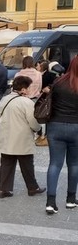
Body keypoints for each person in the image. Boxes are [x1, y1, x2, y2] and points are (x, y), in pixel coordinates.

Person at [0, 75, 45, 199]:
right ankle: (32, 188)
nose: (29, 90)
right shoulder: (26, 102)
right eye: (28, 87)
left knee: (6, 163)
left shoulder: (4, 99)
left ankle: (3, 189)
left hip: (6, 136)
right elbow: (33, 121)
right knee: (27, 164)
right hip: (22, 138)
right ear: (23, 89)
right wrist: (38, 129)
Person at [44, 55, 78, 215]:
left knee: (55, 164)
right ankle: (71, 199)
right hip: (76, 128)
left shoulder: (58, 82)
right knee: (75, 164)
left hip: (55, 126)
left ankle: (50, 202)